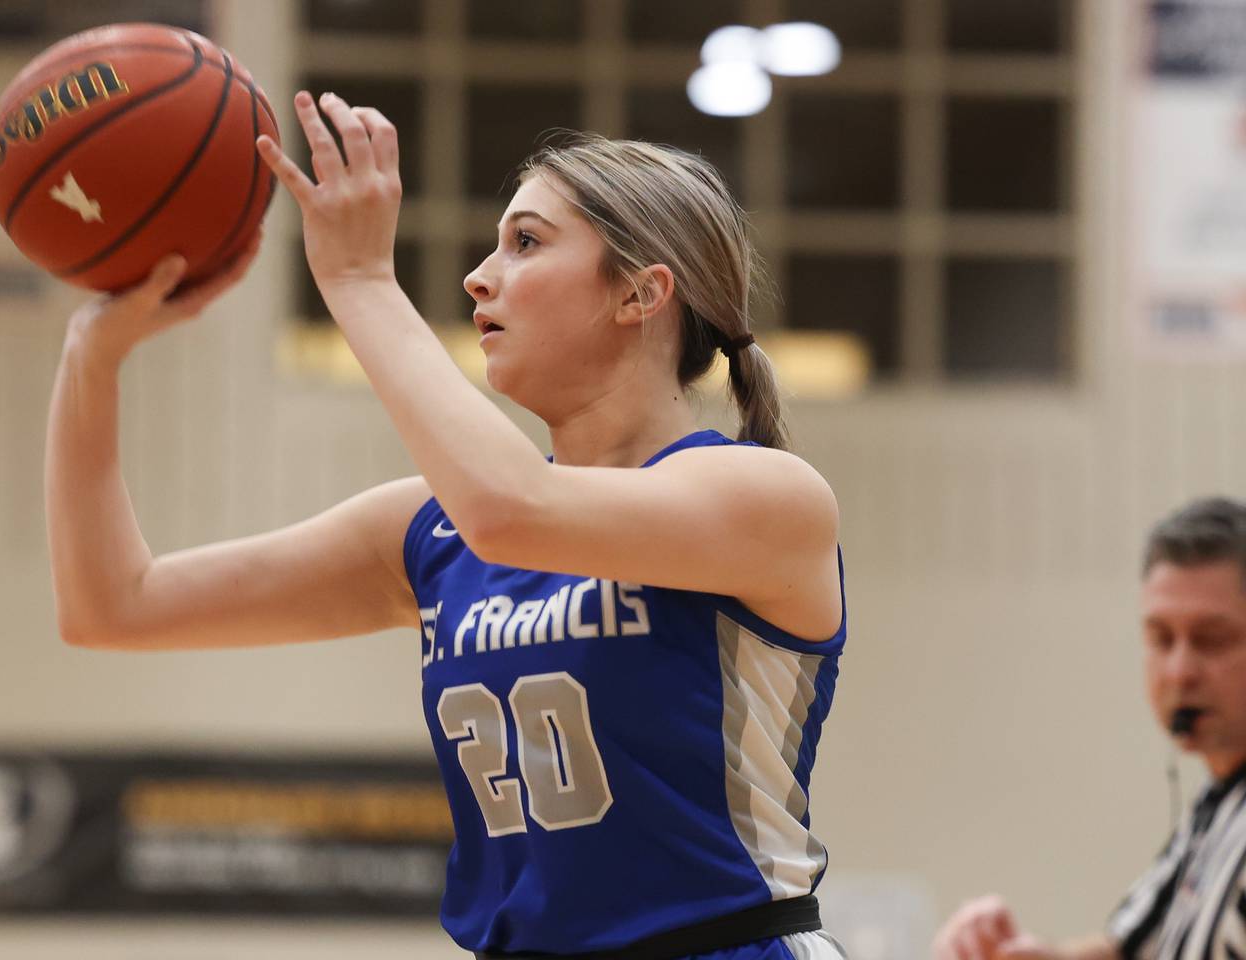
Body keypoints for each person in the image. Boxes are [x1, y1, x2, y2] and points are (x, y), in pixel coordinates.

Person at [46, 90, 847, 959]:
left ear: (640, 294)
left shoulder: (767, 499)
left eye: (527, 242)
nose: (479, 276)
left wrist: (357, 281)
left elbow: (512, 512)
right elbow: (112, 605)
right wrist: (91, 356)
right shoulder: (434, 533)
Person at [932, 497, 1246, 960]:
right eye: (1161, 639)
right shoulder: (1213, 806)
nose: (1179, 671)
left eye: (1212, 640)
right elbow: (1129, 945)